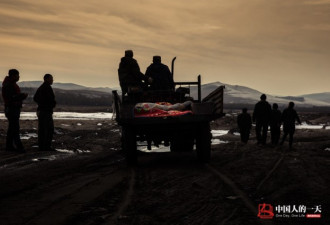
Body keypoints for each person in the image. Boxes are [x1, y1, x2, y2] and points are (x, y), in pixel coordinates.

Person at [2, 69, 28, 152]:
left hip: (12, 108)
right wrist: (22, 96)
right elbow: (11, 98)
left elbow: (12, 97)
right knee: (15, 128)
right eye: (17, 75)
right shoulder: (9, 85)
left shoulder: (9, 84)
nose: (18, 77)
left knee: (11, 128)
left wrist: (20, 96)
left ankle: (9, 146)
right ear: (13, 76)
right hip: (12, 109)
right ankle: (19, 147)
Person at [33, 74, 56, 151]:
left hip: (43, 110)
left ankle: (42, 146)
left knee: (43, 129)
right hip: (45, 111)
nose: (52, 80)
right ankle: (46, 146)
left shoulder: (42, 87)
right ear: (46, 79)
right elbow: (37, 98)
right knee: (48, 129)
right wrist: (48, 105)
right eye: (51, 79)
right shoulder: (45, 87)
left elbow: (35, 98)